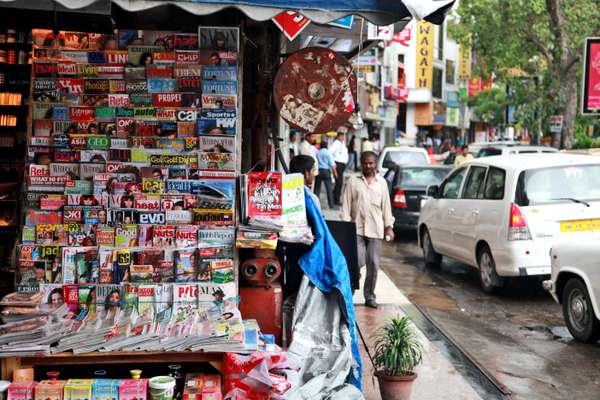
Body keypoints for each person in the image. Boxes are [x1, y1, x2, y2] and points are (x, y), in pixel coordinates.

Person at [342, 151, 394, 308]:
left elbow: (386, 207)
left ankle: (369, 296)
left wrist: (388, 227)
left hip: (376, 230)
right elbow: (346, 205)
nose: (368, 166)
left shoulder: (382, 183)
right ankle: (350, 290)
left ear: (375, 164)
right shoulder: (353, 181)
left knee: (373, 264)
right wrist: (345, 227)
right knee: (356, 262)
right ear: (361, 163)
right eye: (365, 163)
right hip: (356, 229)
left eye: (371, 163)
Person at [314, 140, 337, 209]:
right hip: (326, 171)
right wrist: (335, 173)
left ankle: (315, 205)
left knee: (317, 189)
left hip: (319, 171)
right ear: (326, 145)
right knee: (329, 189)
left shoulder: (317, 153)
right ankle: (331, 206)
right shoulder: (328, 153)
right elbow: (332, 165)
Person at [329, 129, 349, 206]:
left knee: (339, 183)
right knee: (338, 183)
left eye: (344, 135)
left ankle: (335, 199)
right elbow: (330, 152)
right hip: (338, 164)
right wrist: (333, 163)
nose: (343, 137)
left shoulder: (342, 144)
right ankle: (335, 200)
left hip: (342, 165)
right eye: (342, 135)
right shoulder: (336, 143)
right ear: (338, 136)